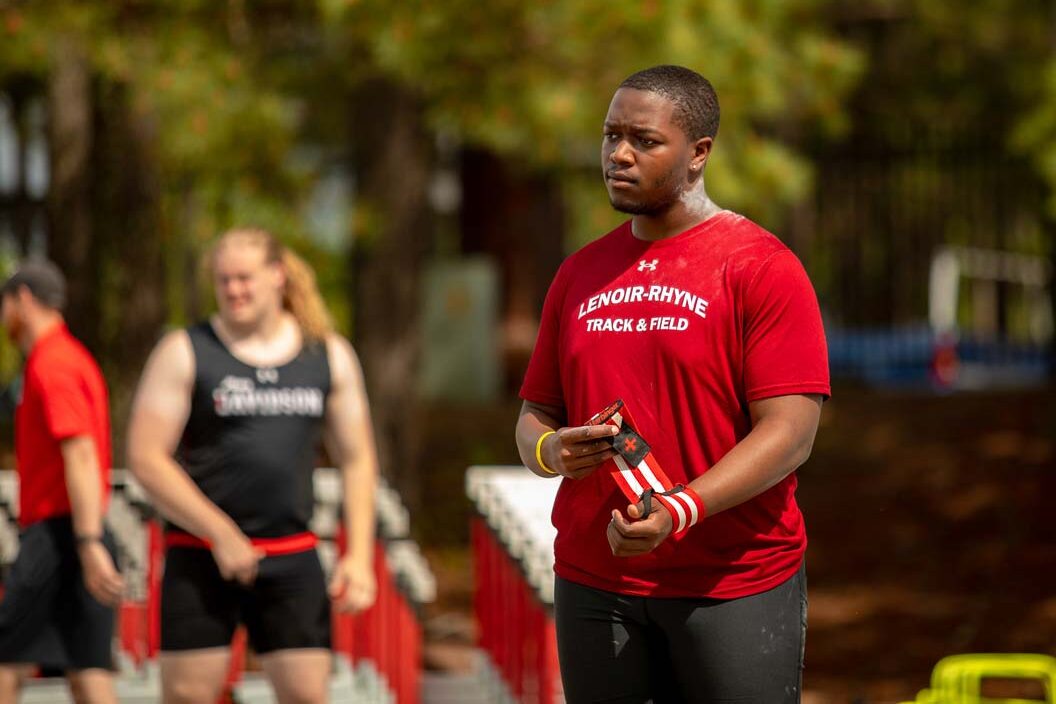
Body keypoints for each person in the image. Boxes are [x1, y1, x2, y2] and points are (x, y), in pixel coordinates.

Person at [515, 65, 830, 703]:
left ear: (698, 153)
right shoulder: (579, 273)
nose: (618, 154)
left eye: (644, 140)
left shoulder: (760, 267)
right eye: (609, 137)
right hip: (596, 579)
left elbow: (791, 433)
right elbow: (534, 415)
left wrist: (680, 507)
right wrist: (553, 451)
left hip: (731, 581)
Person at [127, 228, 379, 704]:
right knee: (186, 697)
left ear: (277, 276)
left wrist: (360, 555)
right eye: (223, 280)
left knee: (308, 695)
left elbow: (358, 457)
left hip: (291, 555)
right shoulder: (185, 350)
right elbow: (145, 456)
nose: (233, 290)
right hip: (201, 552)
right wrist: (220, 533)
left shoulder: (326, 354)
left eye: (244, 278)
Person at [0, 260, 123, 703]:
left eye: (5, 305)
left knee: (4, 661)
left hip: (60, 533)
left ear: (24, 300)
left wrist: (87, 541)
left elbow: (82, 453)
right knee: (87, 668)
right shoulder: (71, 357)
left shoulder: (52, 363)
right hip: (79, 531)